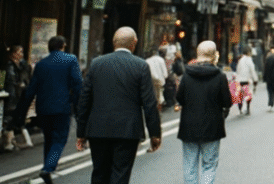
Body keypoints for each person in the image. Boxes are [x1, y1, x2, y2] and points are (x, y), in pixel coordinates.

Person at [76, 27, 162, 184]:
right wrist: (155, 133)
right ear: (134, 43)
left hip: (98, 129)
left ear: (113, 43)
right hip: (127, 130)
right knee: (120, 174)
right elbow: (149, 103)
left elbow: (84, 100)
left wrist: (81, 132)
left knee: (99, 173)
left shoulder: (96, 64)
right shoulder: (140, 65)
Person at [12, 36, 82, 184]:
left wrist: (22, 112)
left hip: (43, 108)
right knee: (60, 139)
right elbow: (77, 86)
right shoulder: (71, 60)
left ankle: (47, 170)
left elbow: (31, 89)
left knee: (49, 138)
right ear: (63, 46)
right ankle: (48, 168)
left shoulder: (41, 64)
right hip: (62, 107)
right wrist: (78, 107)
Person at [176, 41, 231, 184]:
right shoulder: (220, 76)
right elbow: (227, 102)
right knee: (209, 165)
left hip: (189, 126)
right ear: (214, 55)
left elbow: (179, 98)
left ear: (198, 54)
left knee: (190, 165)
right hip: (212, 127)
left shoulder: (187, 75)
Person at [233, 47, 257, 115]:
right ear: (249, 52)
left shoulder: (240, 60)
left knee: (240, 94)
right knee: (248, 95)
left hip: (240, 80)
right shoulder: (249, 60)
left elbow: (238, 70)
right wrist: (255, 79)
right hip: (247, 80)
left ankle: (240, 108)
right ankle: (248, 108)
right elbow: (252, 70)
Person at [146, 48, 168, 113]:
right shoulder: (161, 60)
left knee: (154, 95)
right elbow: (165, 74)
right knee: (160, 95)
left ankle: (155, 109)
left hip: (151, 82)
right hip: (160, 81)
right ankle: (159, 109)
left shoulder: (147, 61)